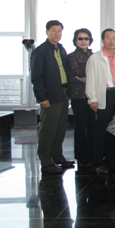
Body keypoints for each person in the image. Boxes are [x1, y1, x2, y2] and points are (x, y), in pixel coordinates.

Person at [31, 20, 74, 175]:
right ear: (47, 32)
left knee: (60, 128)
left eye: (59, 30)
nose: (57, 33)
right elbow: (36, 77)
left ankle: (57, 156)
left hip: (63, 93)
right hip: (50, 95)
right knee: (48, 129)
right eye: (53, 30)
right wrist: (42, 97)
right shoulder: (40, 51)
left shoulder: (61, 49)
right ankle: (46, 161)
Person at [86, 28, 115, 175]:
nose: (111, 41)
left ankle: (111, 159)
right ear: (102, 40)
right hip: (104, 95)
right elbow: (90, 80)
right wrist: (92, 98)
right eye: (108, 38)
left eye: (114, 37)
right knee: (101, 130)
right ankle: (98, 162)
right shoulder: (95, 58)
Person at [66, 28, 94, 169]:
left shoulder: (93, 55)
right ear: (75, 41)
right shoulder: (71, 56)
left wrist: (86, 77)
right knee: (81, 127)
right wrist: (89, 75)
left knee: (92, 126)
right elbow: (79, 71)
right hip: (78, 96)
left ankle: (92, 155)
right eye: (80, 38)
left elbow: (98, 72)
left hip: (92, 96)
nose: (83, 41)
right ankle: (81, 157)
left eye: (86, 38)